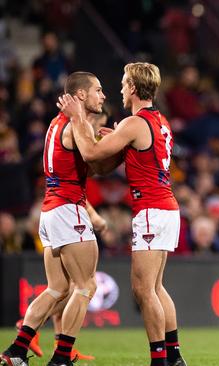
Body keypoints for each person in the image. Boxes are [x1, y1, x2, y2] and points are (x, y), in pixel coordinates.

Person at [57, 62, 186, 366]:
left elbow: (90, 155)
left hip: (152, 210)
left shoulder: (134, 123)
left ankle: (159, 359)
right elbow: (105, 164)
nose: (119, 89)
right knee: (155, 287)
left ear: (132, 87)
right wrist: (113, 138)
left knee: (143, 290)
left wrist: (77, 119)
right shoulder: (159, 120)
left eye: (123, 83)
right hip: (165, 207)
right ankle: (175, 355)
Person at [1, 72, 113, 366]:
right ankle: (62, 357)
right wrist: (121, 145)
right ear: (80, 96)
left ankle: (16, 350)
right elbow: (94, 157)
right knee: (86, 286)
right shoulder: (75, 125)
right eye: (97, 91)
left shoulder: (56, 124)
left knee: (57, 289)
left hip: (50, 211)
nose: (102, 96)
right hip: (68, 210)